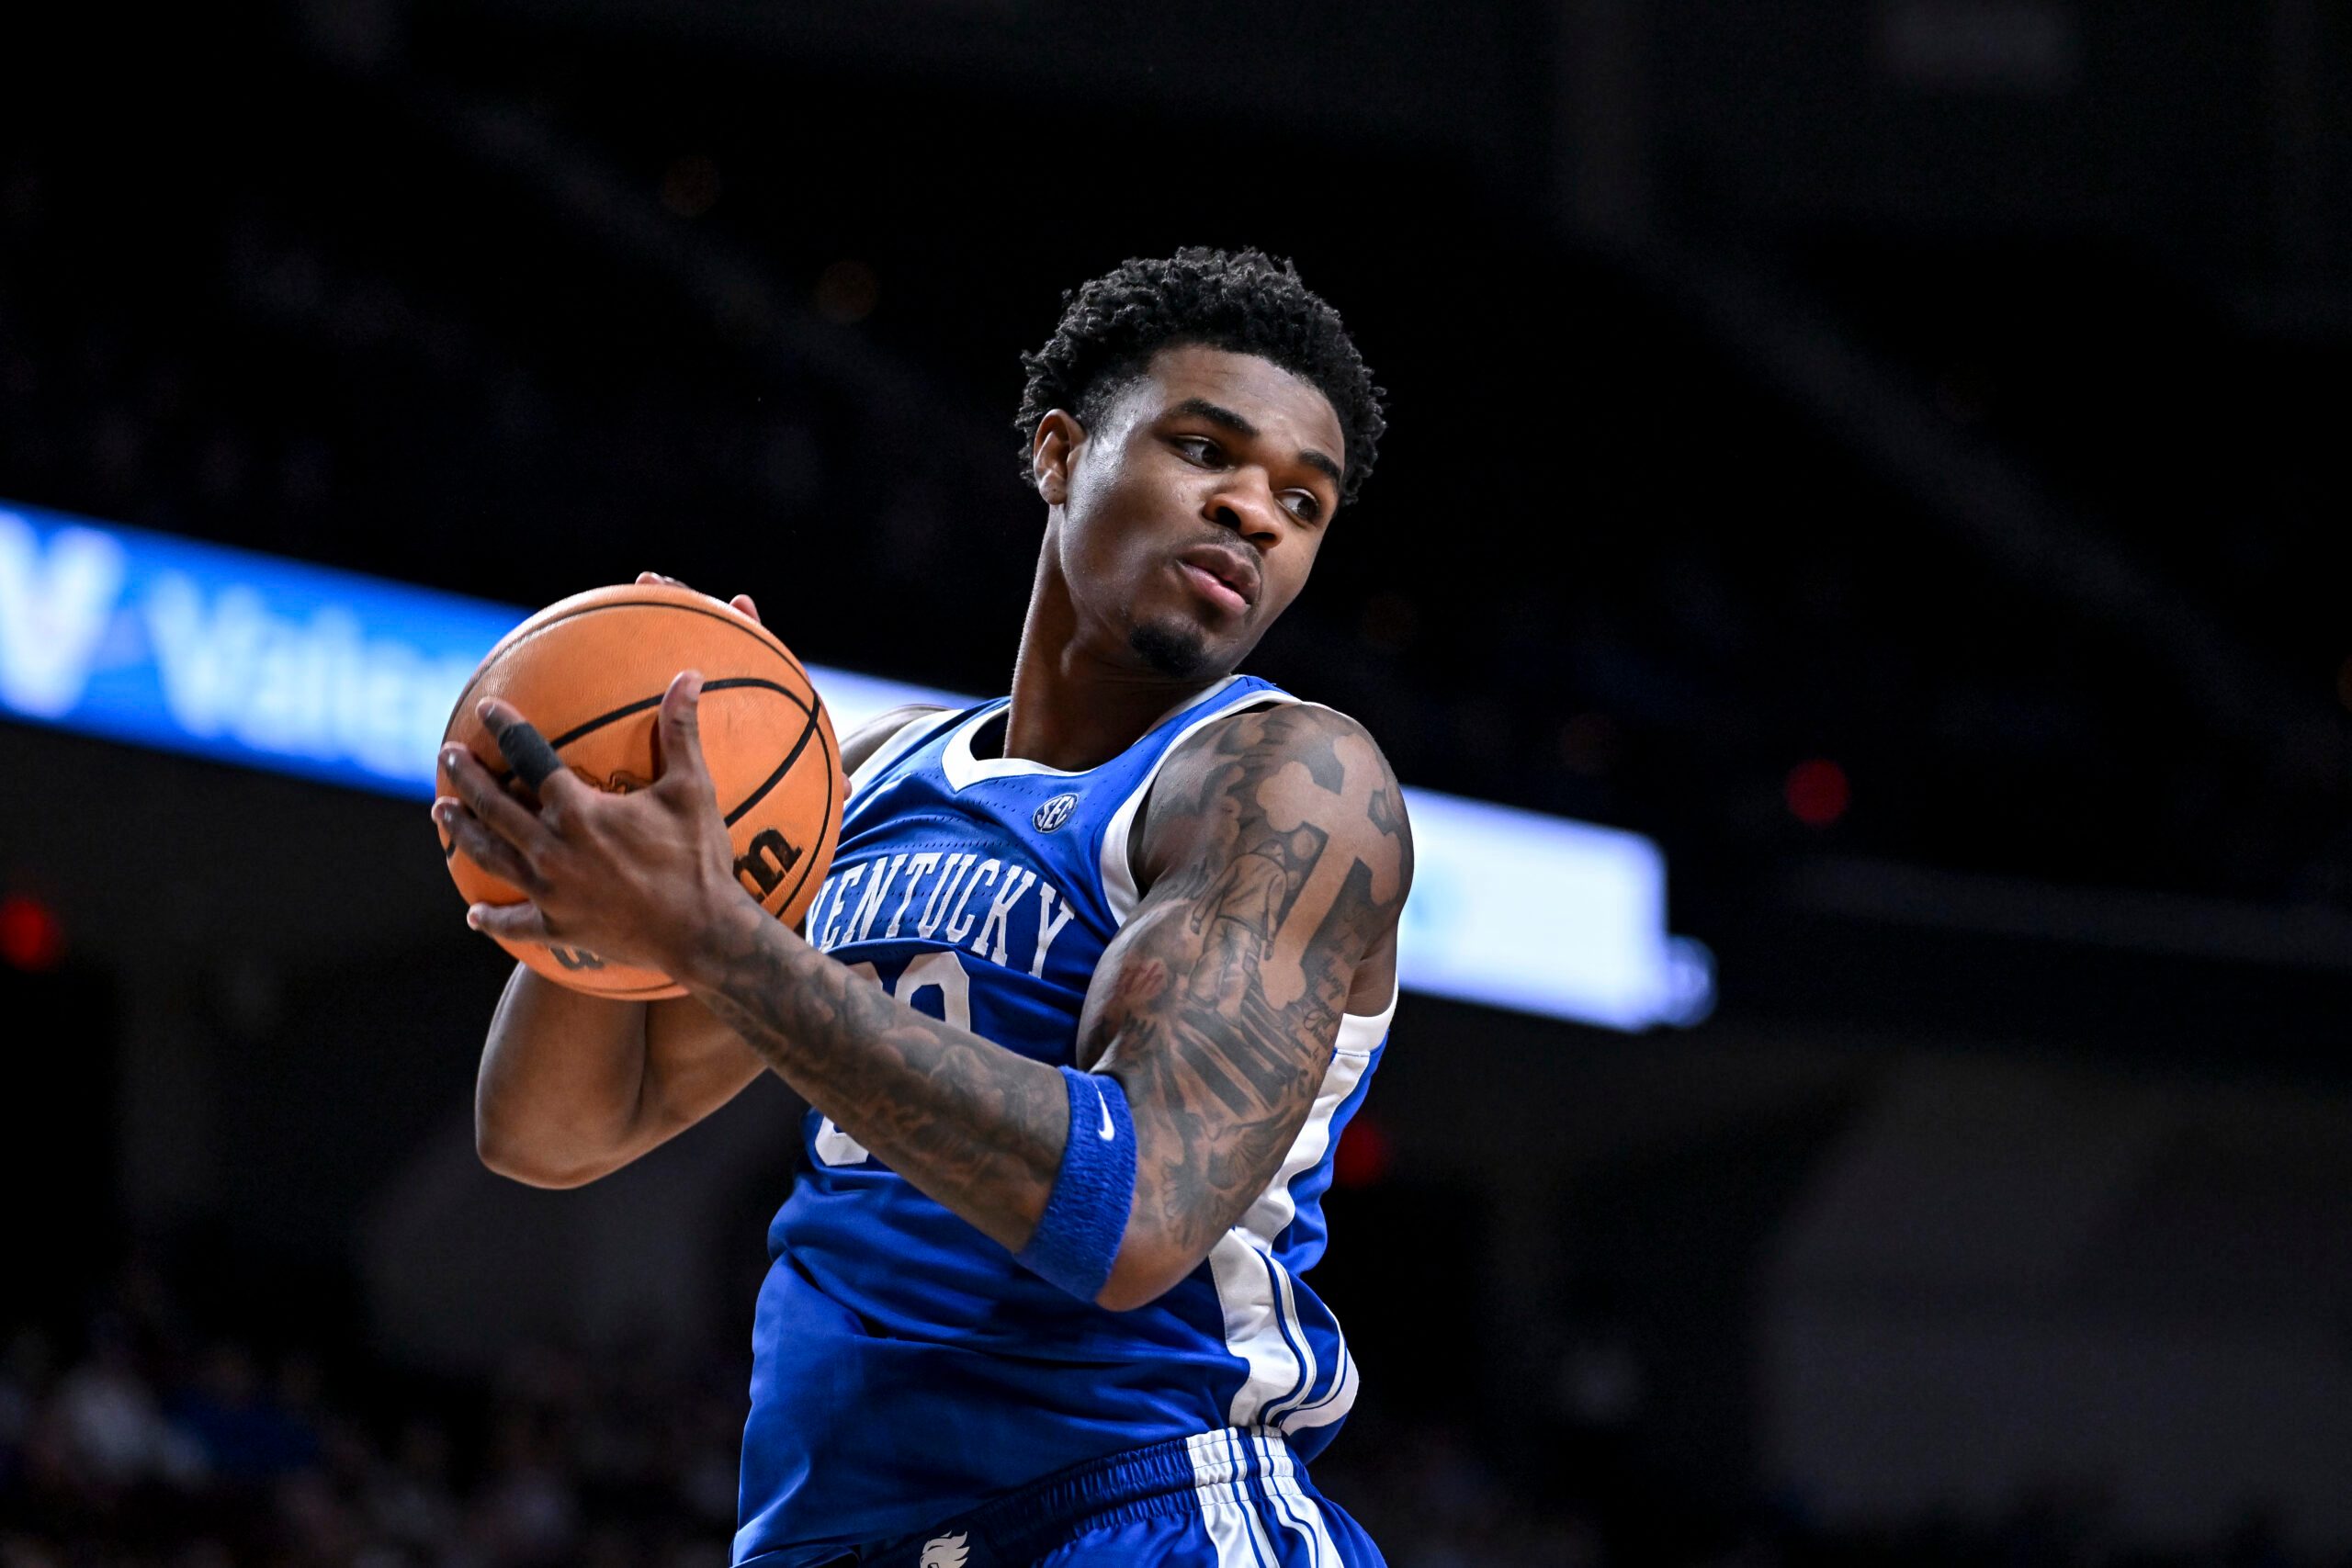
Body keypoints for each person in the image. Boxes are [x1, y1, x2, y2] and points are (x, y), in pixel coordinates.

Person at [433, 247, 1412, 1568]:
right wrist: (604, 859)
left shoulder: (1290, 783)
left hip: (1141, 1511)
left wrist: (715, 937)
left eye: (1304, 502)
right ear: (1060, 454)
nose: (1254, 513)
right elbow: (554, 1131)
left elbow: (1133, 1220)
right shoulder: (865, 777)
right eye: (1204, 450)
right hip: (836, 1536)